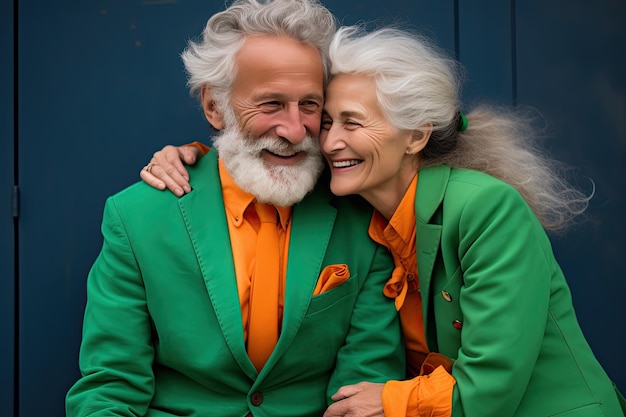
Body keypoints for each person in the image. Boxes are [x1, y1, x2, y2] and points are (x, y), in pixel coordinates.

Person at [143, 24, 626, 416]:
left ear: (415, 138)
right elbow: (260, 154)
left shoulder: (486, 208)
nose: (328, 141)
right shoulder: (358, 206)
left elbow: (492, 388)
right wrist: (196, 158)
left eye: (353, 123)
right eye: (327, 121)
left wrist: (390, 400)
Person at [65, 2, 407, 416]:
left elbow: (363, 387)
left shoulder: (361, 214)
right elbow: (111, 386)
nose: (295, 130)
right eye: (271, 105)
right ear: (214, 106)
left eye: (311, 105)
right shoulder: (137, 217)